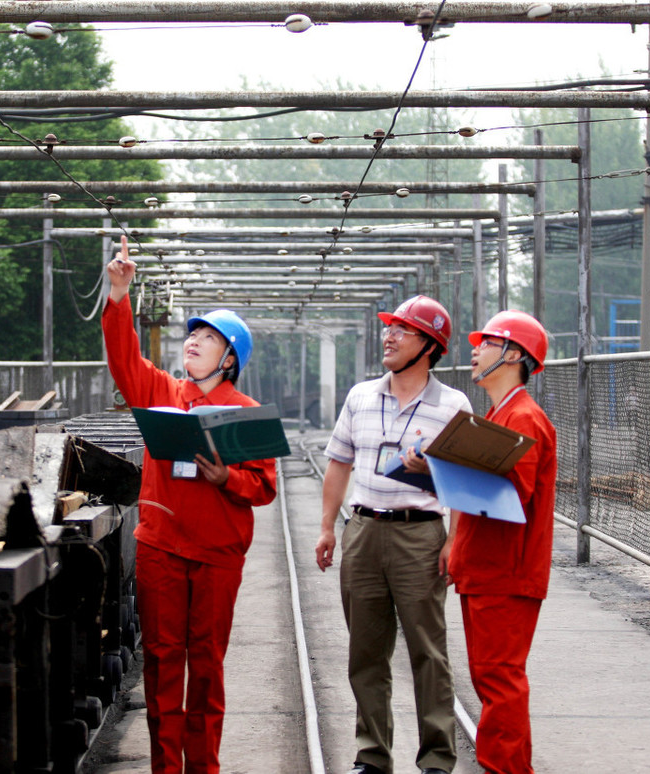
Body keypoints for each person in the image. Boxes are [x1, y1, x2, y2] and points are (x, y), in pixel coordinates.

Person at [102, 235, 278, 774]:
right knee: (161, 661)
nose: (194, 341)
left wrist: (227, 477)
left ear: (230, 359)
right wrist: (118, 295)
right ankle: (165, 768)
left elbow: (264, 486)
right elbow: (124, 360)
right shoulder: (162, 393)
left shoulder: (246, 413)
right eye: (193, 333)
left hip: (217, 555)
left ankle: (204, 767)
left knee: (205, 667)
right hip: (160, 547)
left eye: (209, 337)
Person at [315, 295, 470, 774]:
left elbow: (464, 482)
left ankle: (438, 758)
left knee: (428, 650)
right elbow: (339, 462)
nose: (390, 336)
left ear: (429, 345)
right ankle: (372, 755)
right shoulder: (361, 396)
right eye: (390, 328)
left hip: (420, 535)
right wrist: (327, 526)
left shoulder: (452, 405)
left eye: (402, 330)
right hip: (362, 531)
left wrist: (452, 541)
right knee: (366, 650)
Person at [446, 310, 557, 774]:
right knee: (490, 676)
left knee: (499, 678)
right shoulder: (500, 412)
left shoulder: (522, 417)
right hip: (487, 570)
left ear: (513, 354)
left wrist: (450, 465)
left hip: (505, 573)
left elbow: (514, 493)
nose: (474, 350)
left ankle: (506, 769)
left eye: (486, 343)